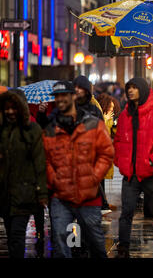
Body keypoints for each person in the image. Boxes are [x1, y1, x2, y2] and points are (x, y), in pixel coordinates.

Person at [42, 81, 114, 258]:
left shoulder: (92, 124)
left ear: (73, 97)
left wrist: (93, 177)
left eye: (64, 96)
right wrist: (54, 179)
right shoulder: (51, 128)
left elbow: (106, 153)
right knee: (60, 239)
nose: (60, 100)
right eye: (57, 97)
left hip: (88, 196)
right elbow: (44, 158)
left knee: (96, 240)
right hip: (60, 196)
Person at [114, 78, 153, 258]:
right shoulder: (125, 115)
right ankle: (123, 248)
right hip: (130, 174)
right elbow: (118, 140)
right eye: (129, 88)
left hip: (152, 173)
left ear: (142, 90)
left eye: (134, 88)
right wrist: (120, 161)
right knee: (126, 212)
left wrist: (152, 161)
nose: (131, 91)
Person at [0, 90, 48, 258]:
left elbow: (39, 162)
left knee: (17, 236)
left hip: (24, 193)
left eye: (14, 108)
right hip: (5, 194)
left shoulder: (31, 129)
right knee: (10, 233)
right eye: (7, 108)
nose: (10, 111)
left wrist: (42, 193)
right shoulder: (2, 130)